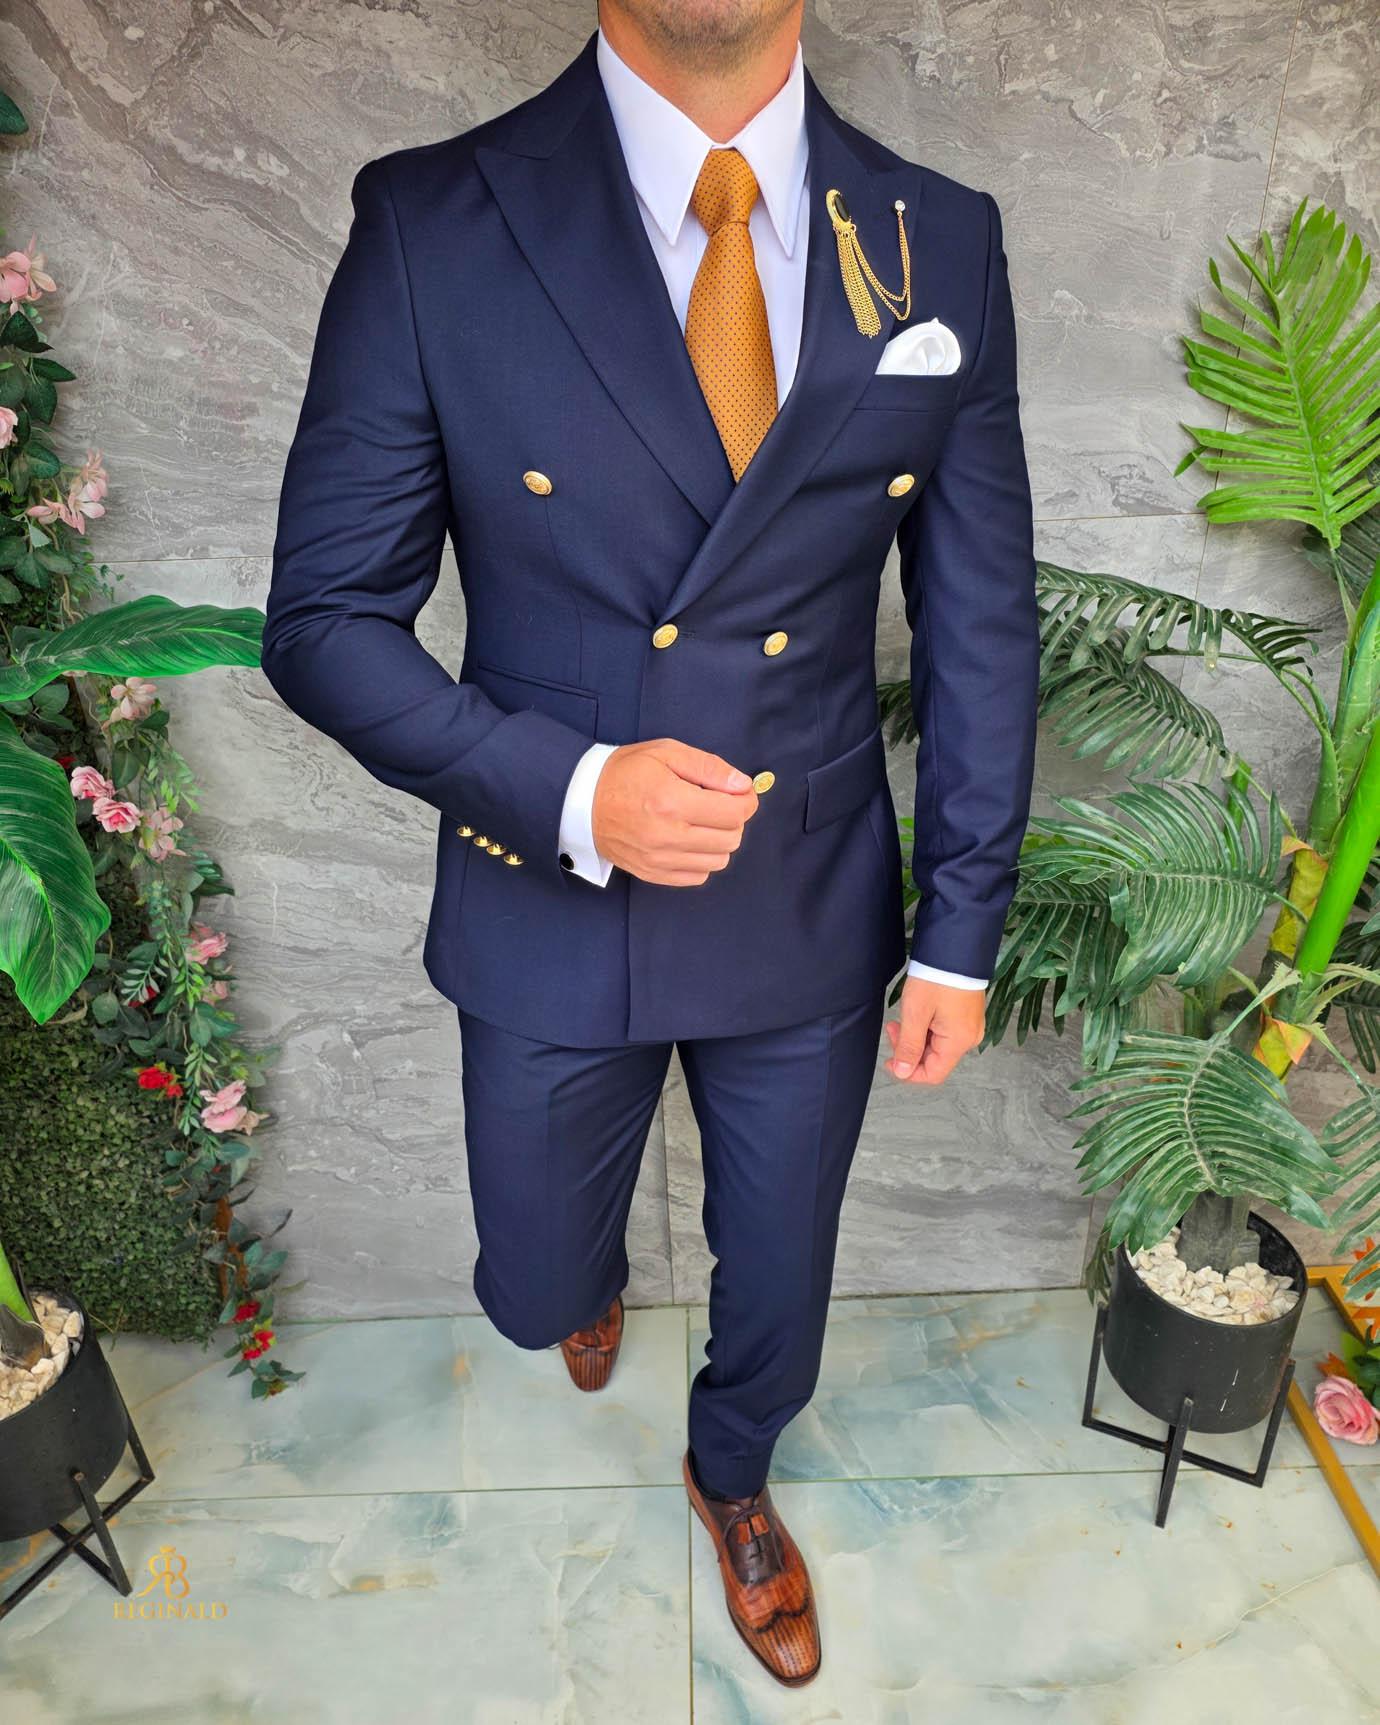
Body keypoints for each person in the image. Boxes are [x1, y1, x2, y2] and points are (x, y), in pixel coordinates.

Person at [262, 0, 1039, 1689]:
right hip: (549, 886)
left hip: (805, 889)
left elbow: (980, 618)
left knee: (782, 1279)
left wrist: (962, 926)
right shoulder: (433, 221)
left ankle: (733, 1467)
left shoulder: (942, 239)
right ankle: (592, 1271)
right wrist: (570, 790)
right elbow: (324, 620)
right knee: (537, 1286)